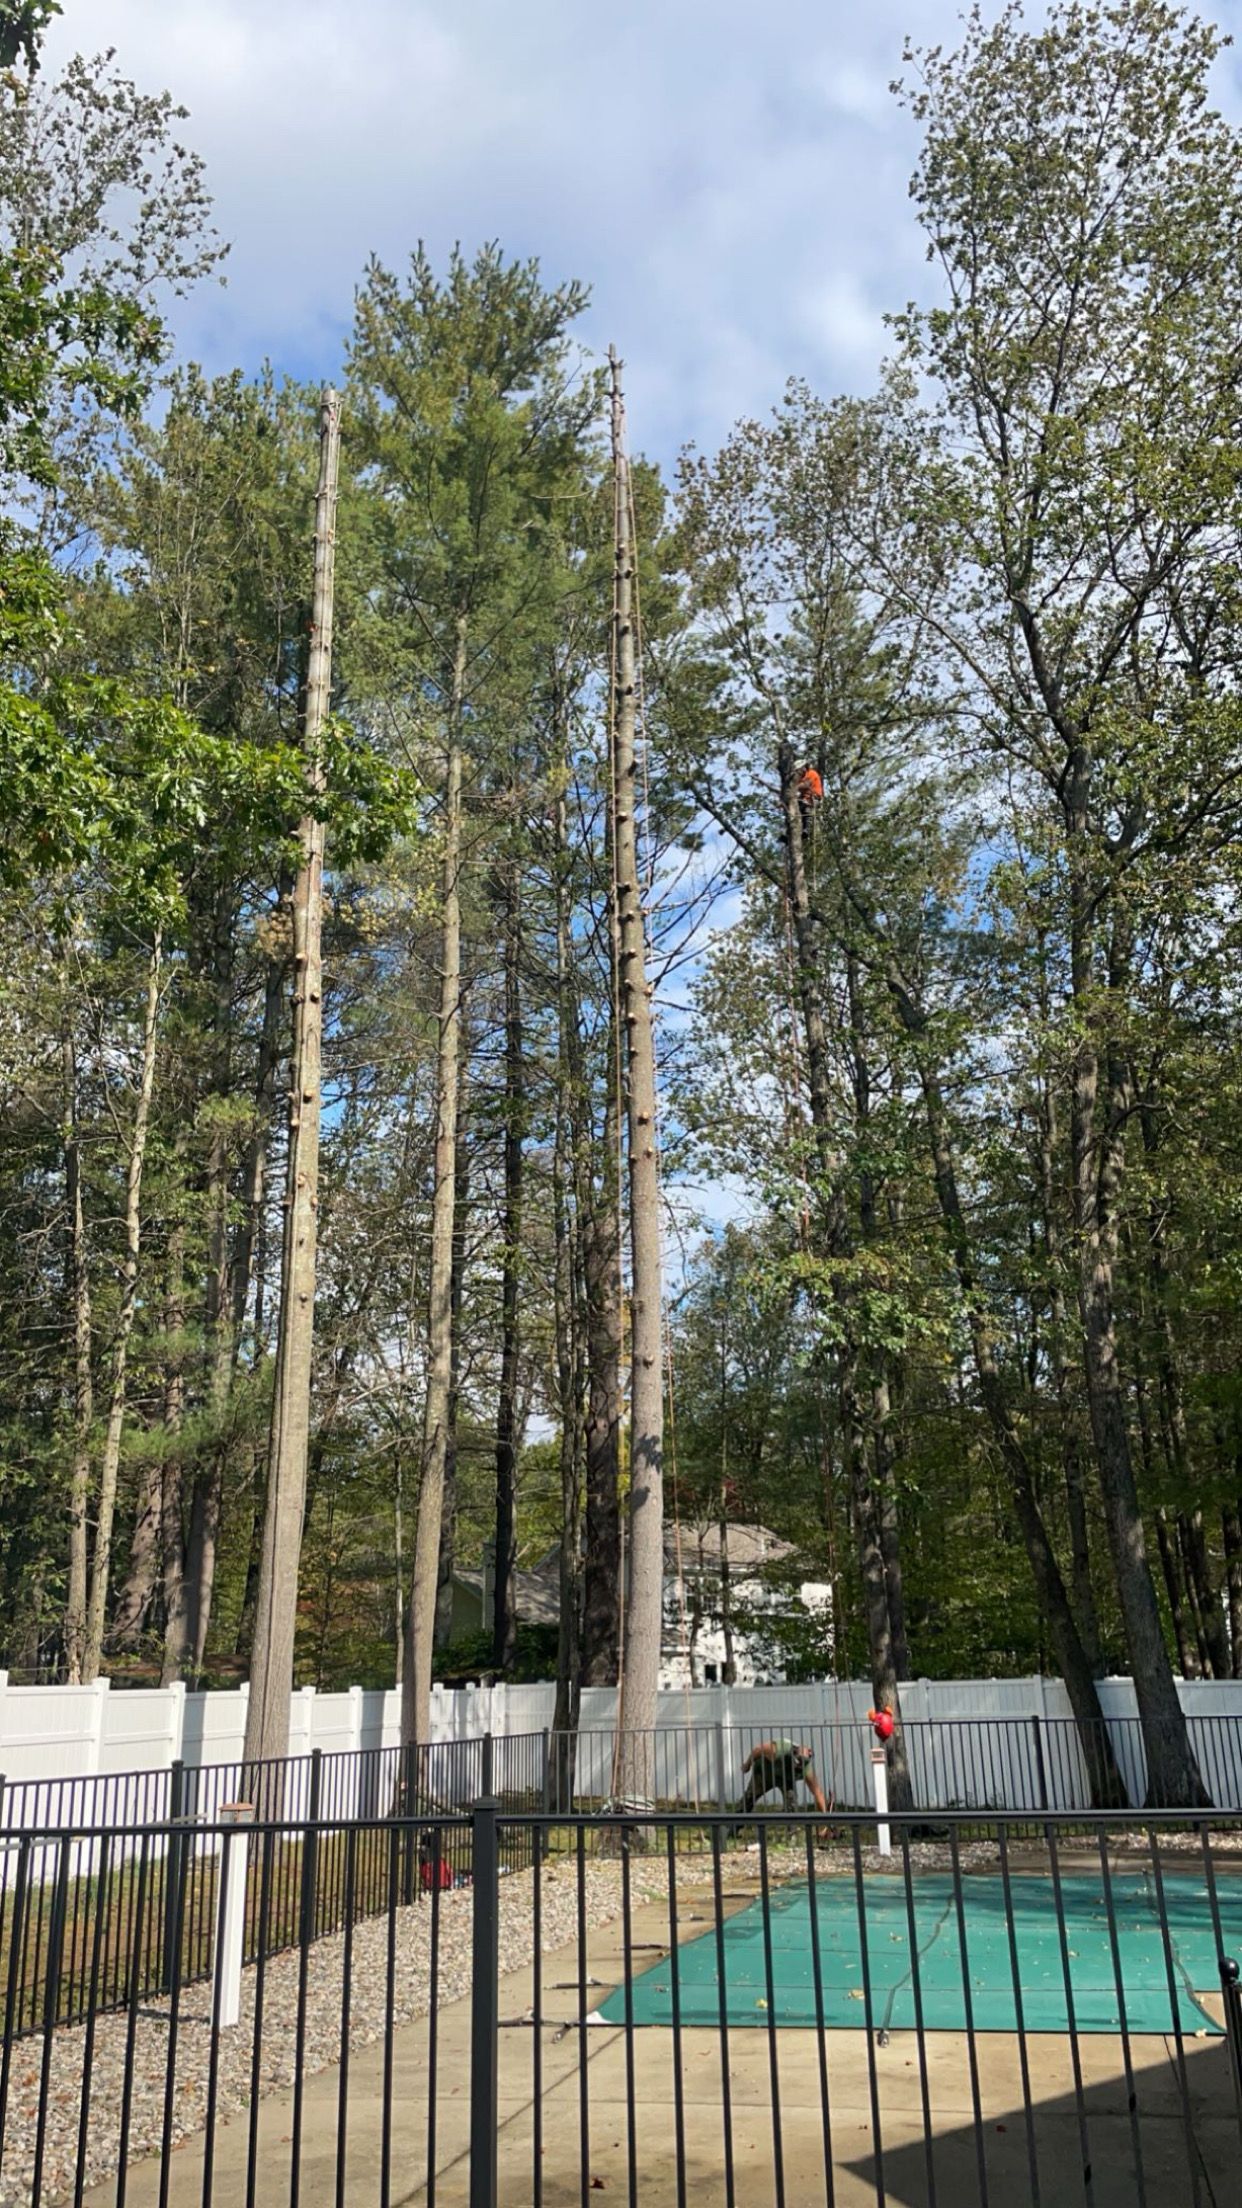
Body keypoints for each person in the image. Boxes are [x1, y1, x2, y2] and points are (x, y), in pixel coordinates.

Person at [739, 1737, 829, 1816]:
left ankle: (792, 1833)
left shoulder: (807, 1770)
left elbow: (818, 1793)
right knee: (749, 1798)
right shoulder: (779, 1749)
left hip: (785, 1779)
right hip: (764, 1772)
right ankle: (734, 1827)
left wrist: (825, 1819)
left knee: (791, 1803)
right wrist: (747, 1765)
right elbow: (758, 1750)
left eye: (799, 1769)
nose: (798, 1769)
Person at [796, 764, 823, 829]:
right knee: (797, 807)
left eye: (799, 770)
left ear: (804, 767)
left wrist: (794, 787)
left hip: (814, 797)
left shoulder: (811, 773)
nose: (799, 772)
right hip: (804, 797)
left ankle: (806, 828)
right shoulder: (801, 777)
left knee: (804, 808)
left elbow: (806, 784)